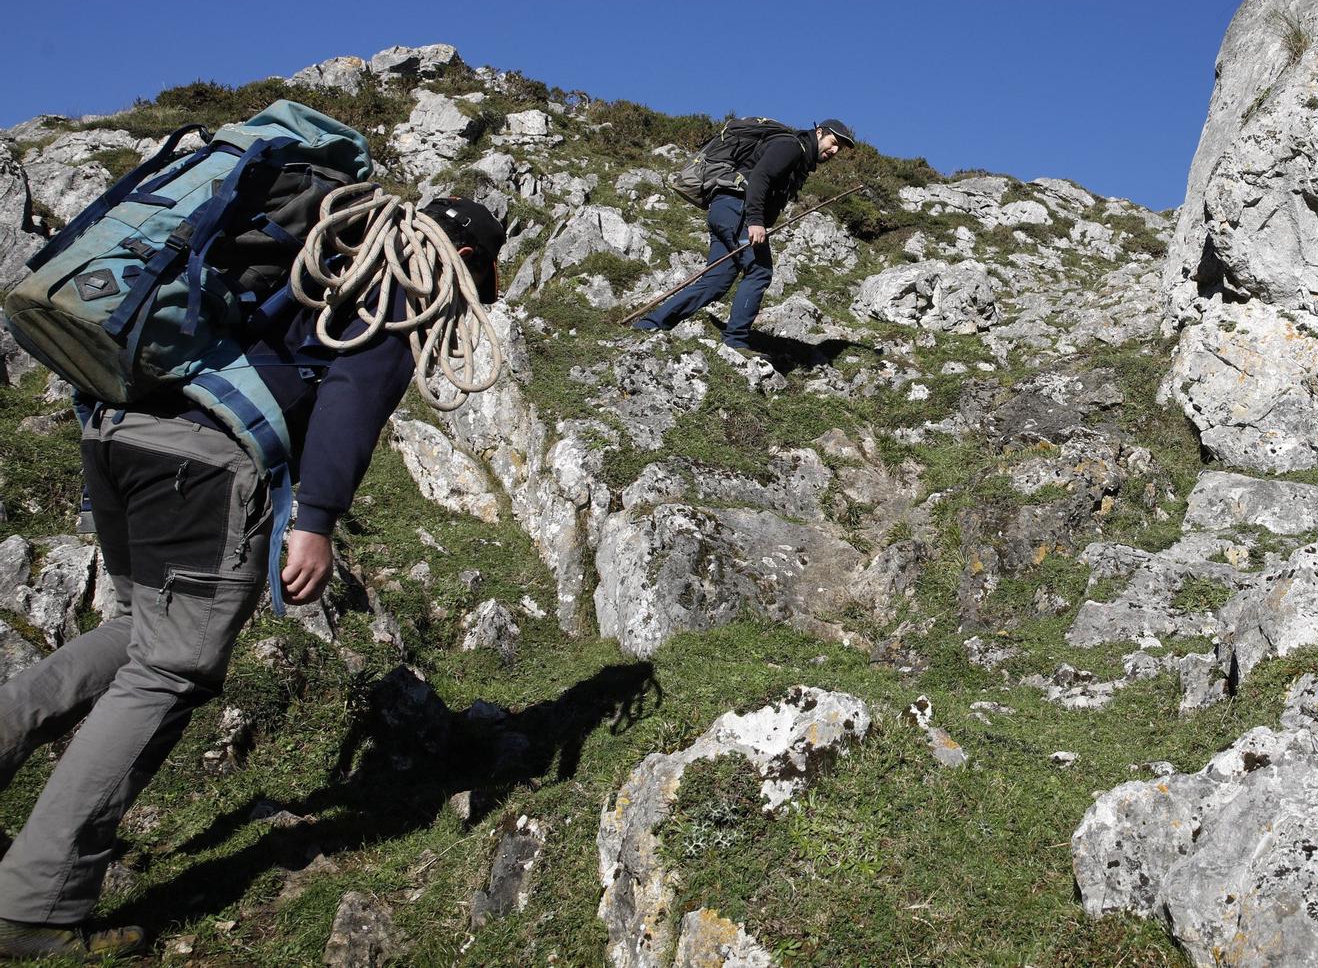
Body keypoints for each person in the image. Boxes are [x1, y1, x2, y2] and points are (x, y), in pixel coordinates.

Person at [0, 196, 506, 960]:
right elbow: (354, 392)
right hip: (202, 462)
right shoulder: (404, 272)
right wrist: (318, 518)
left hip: (119, 430)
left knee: (135, 626)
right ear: (464, 257)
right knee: (169, 666)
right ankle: (35, 904)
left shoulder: (313, 238)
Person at [632, 119, 854, 348]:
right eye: (833, 142)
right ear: (819, 133)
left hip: (725, 209)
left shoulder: (798, 153)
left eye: (840, 148)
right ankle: (735, 341)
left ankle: (650, 324)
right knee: (760, 271)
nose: (834, 150)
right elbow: (760, 177)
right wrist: (756, 221)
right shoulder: (792, 147)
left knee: (715, 282)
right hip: (737, 210)